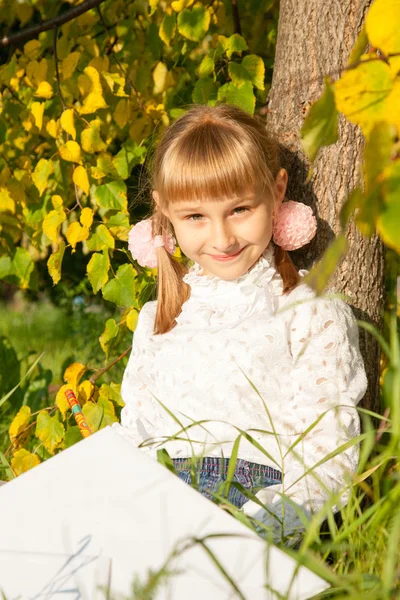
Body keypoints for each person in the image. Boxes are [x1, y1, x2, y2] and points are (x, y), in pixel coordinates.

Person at [114, 103, 367, 545]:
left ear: (277, 191)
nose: (223, 238)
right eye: (196, 216)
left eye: (240, 210)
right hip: (156, 515)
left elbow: (326, 453)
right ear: (165, 213)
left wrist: (250, 533)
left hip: (257, 516)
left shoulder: (307, 312)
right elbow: (139, 435)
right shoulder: (158, 321)